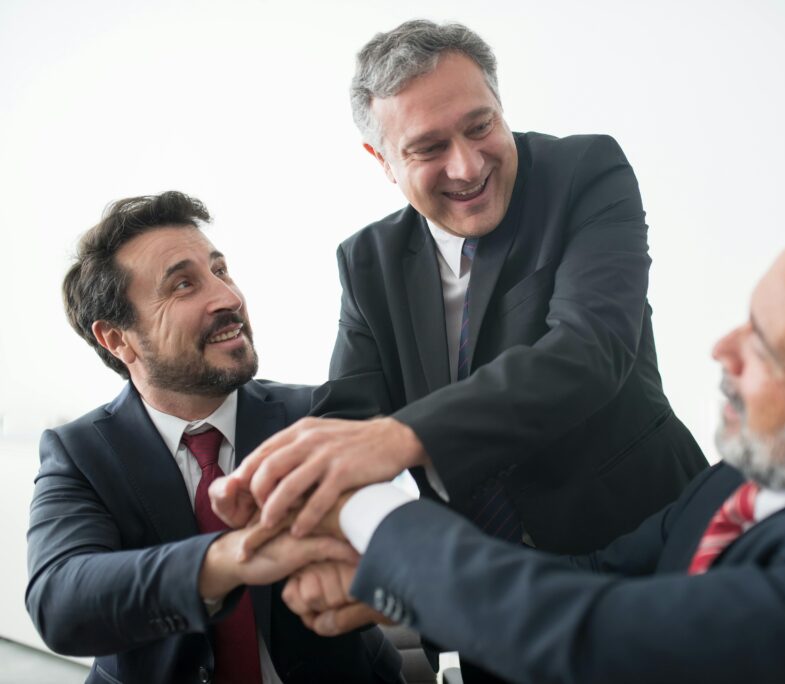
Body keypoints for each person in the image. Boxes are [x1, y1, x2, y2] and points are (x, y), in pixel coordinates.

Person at [271, 194, 785, 683]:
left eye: (766, 345)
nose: (722, 350)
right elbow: (597, 574)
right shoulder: (749, 481)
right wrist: (401, 595)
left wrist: (371, 505)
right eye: (745, 316)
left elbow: (587, 631)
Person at [220, 18, 707, 560]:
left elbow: (589, 351)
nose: (468, 166)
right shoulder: (365, 262)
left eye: (480, 127)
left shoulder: (584, 173)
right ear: (381, 161)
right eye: (428, 148)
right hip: (480, 588)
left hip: (648, 544)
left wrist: (404, 438)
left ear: (500, 105)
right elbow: (349, 420)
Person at [26, 192, 402, 684]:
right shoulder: (79, 454)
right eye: (183, 285)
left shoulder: (313, 416)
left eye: (220, 271)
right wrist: (231, 557)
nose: (228, 298)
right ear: (117, 339)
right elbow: (60, 603)